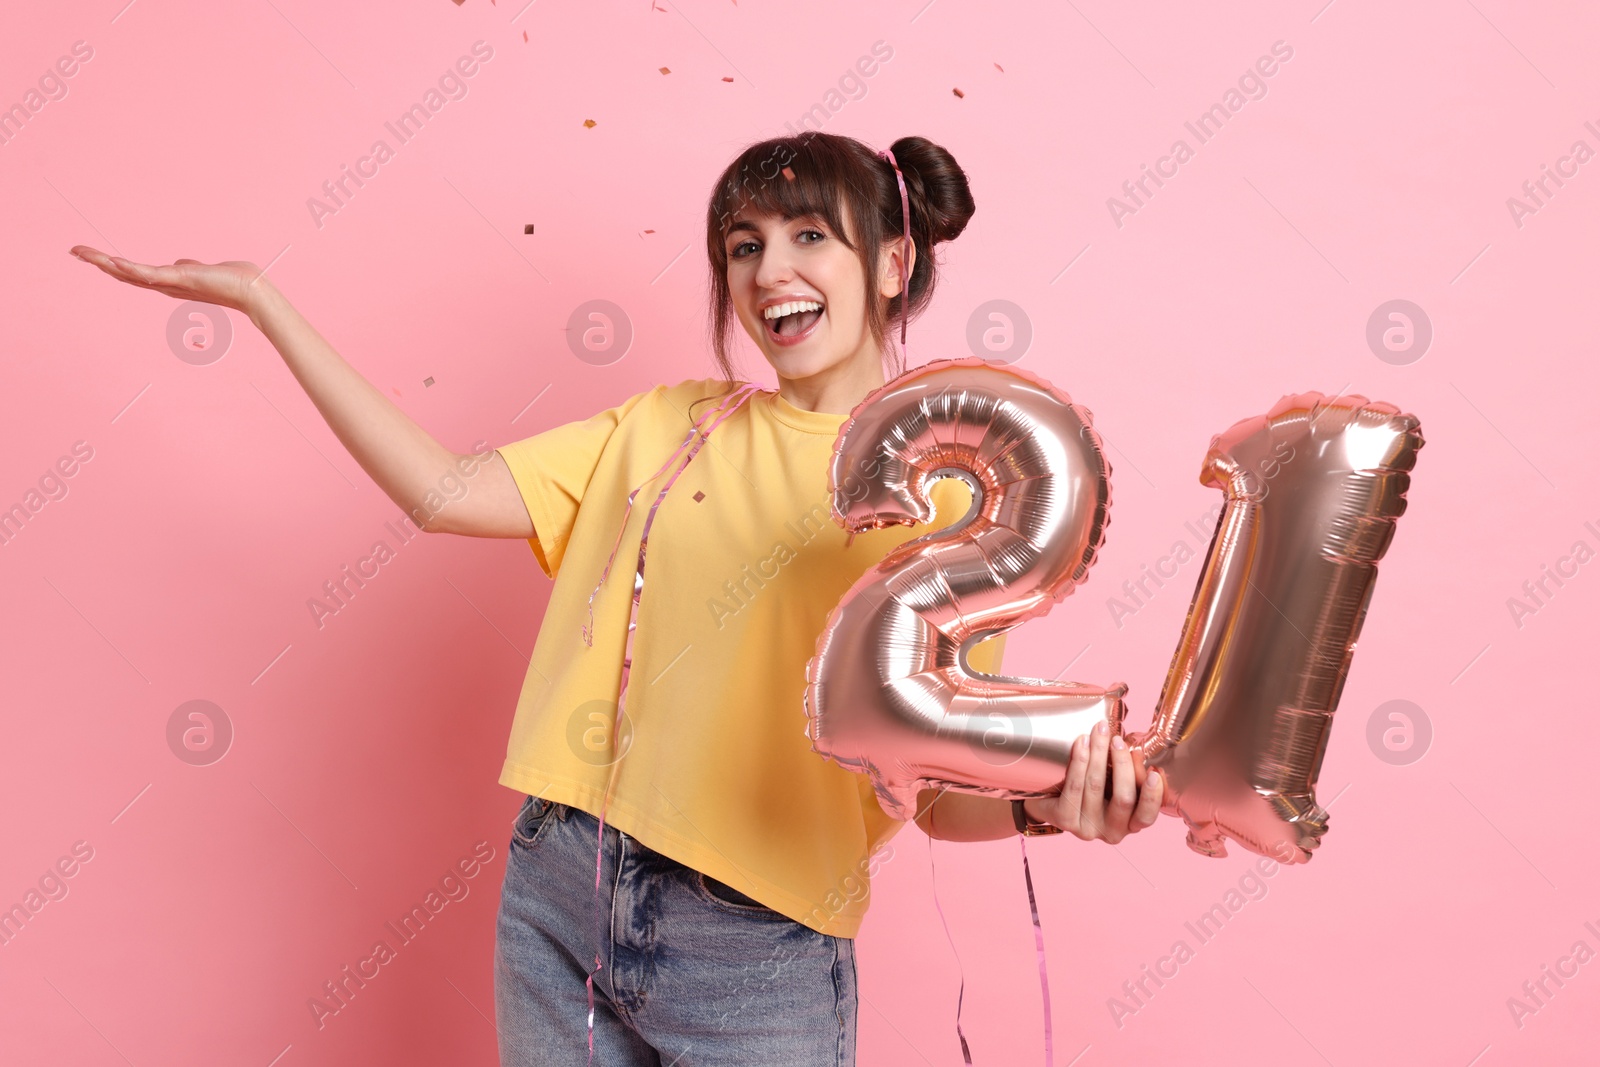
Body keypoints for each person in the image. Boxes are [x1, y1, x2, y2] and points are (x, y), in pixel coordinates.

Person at [70, 130, 1163, 1067]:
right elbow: (444, 490)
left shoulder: (949, 494)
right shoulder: (669, 425)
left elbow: (928, 782)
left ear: (891, 261)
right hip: (562, 887)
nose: (768, 268)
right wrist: (265, 302)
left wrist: (1048, 803)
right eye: (743, 246)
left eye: (807, 235)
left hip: (762, 944)